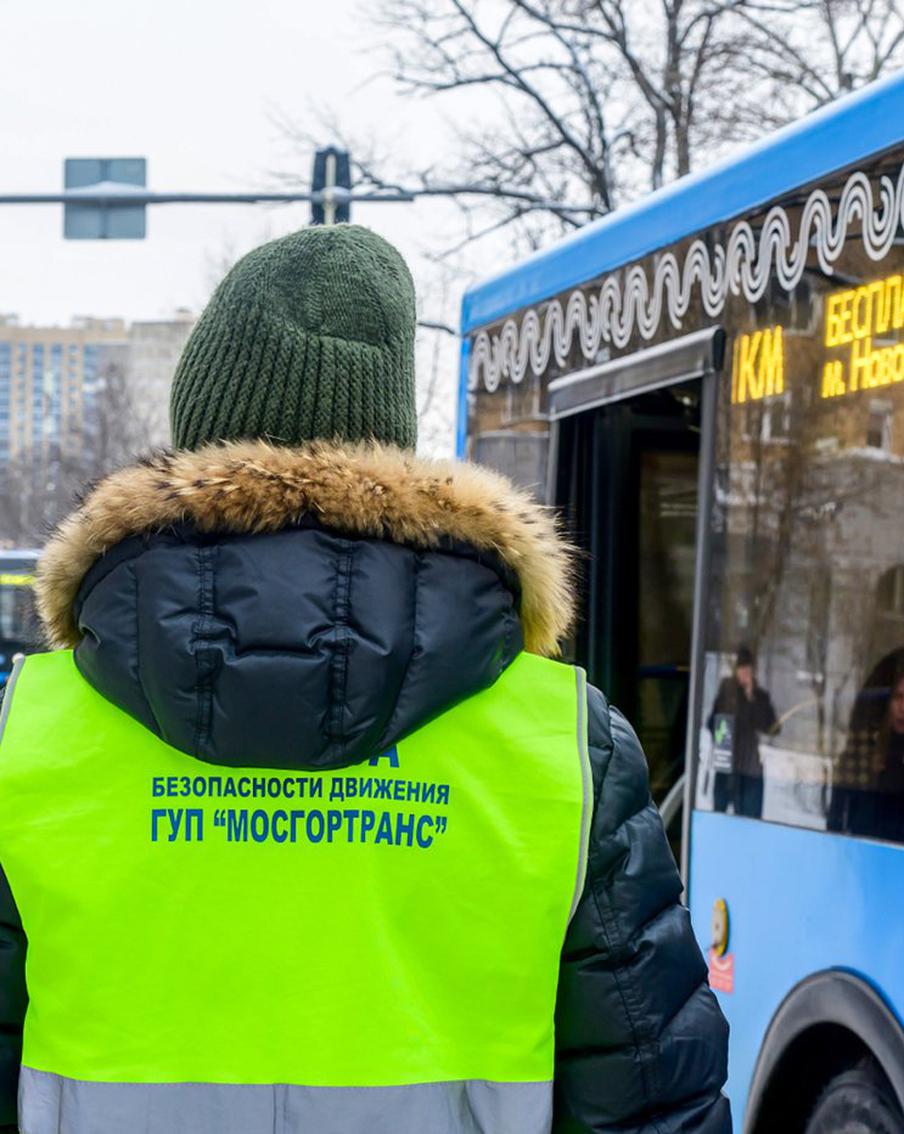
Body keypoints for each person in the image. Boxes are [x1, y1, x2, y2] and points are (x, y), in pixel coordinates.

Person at [0, 226, 730, 1134]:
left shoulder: (26, 739)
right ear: (393, 449)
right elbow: (649, 1097)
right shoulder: (564, 746)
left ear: (193, 446)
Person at [830, 650, 904, 841]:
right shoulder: (864, 747)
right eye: (899, 696)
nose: (903, 707)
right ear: (887, 700)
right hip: (863, 852)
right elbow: (838, 808)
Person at [708, 646, 777, 819]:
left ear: (753, 671)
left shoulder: (760, 696)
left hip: (749, 767)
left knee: (749, 819)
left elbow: (771, 728)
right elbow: (712, 722)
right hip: (727, 764)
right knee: (720, 816)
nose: (744, 673)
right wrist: (721, 732)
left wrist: (751, 696)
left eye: (748, 669)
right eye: (741, 668)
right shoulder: (727, 690)